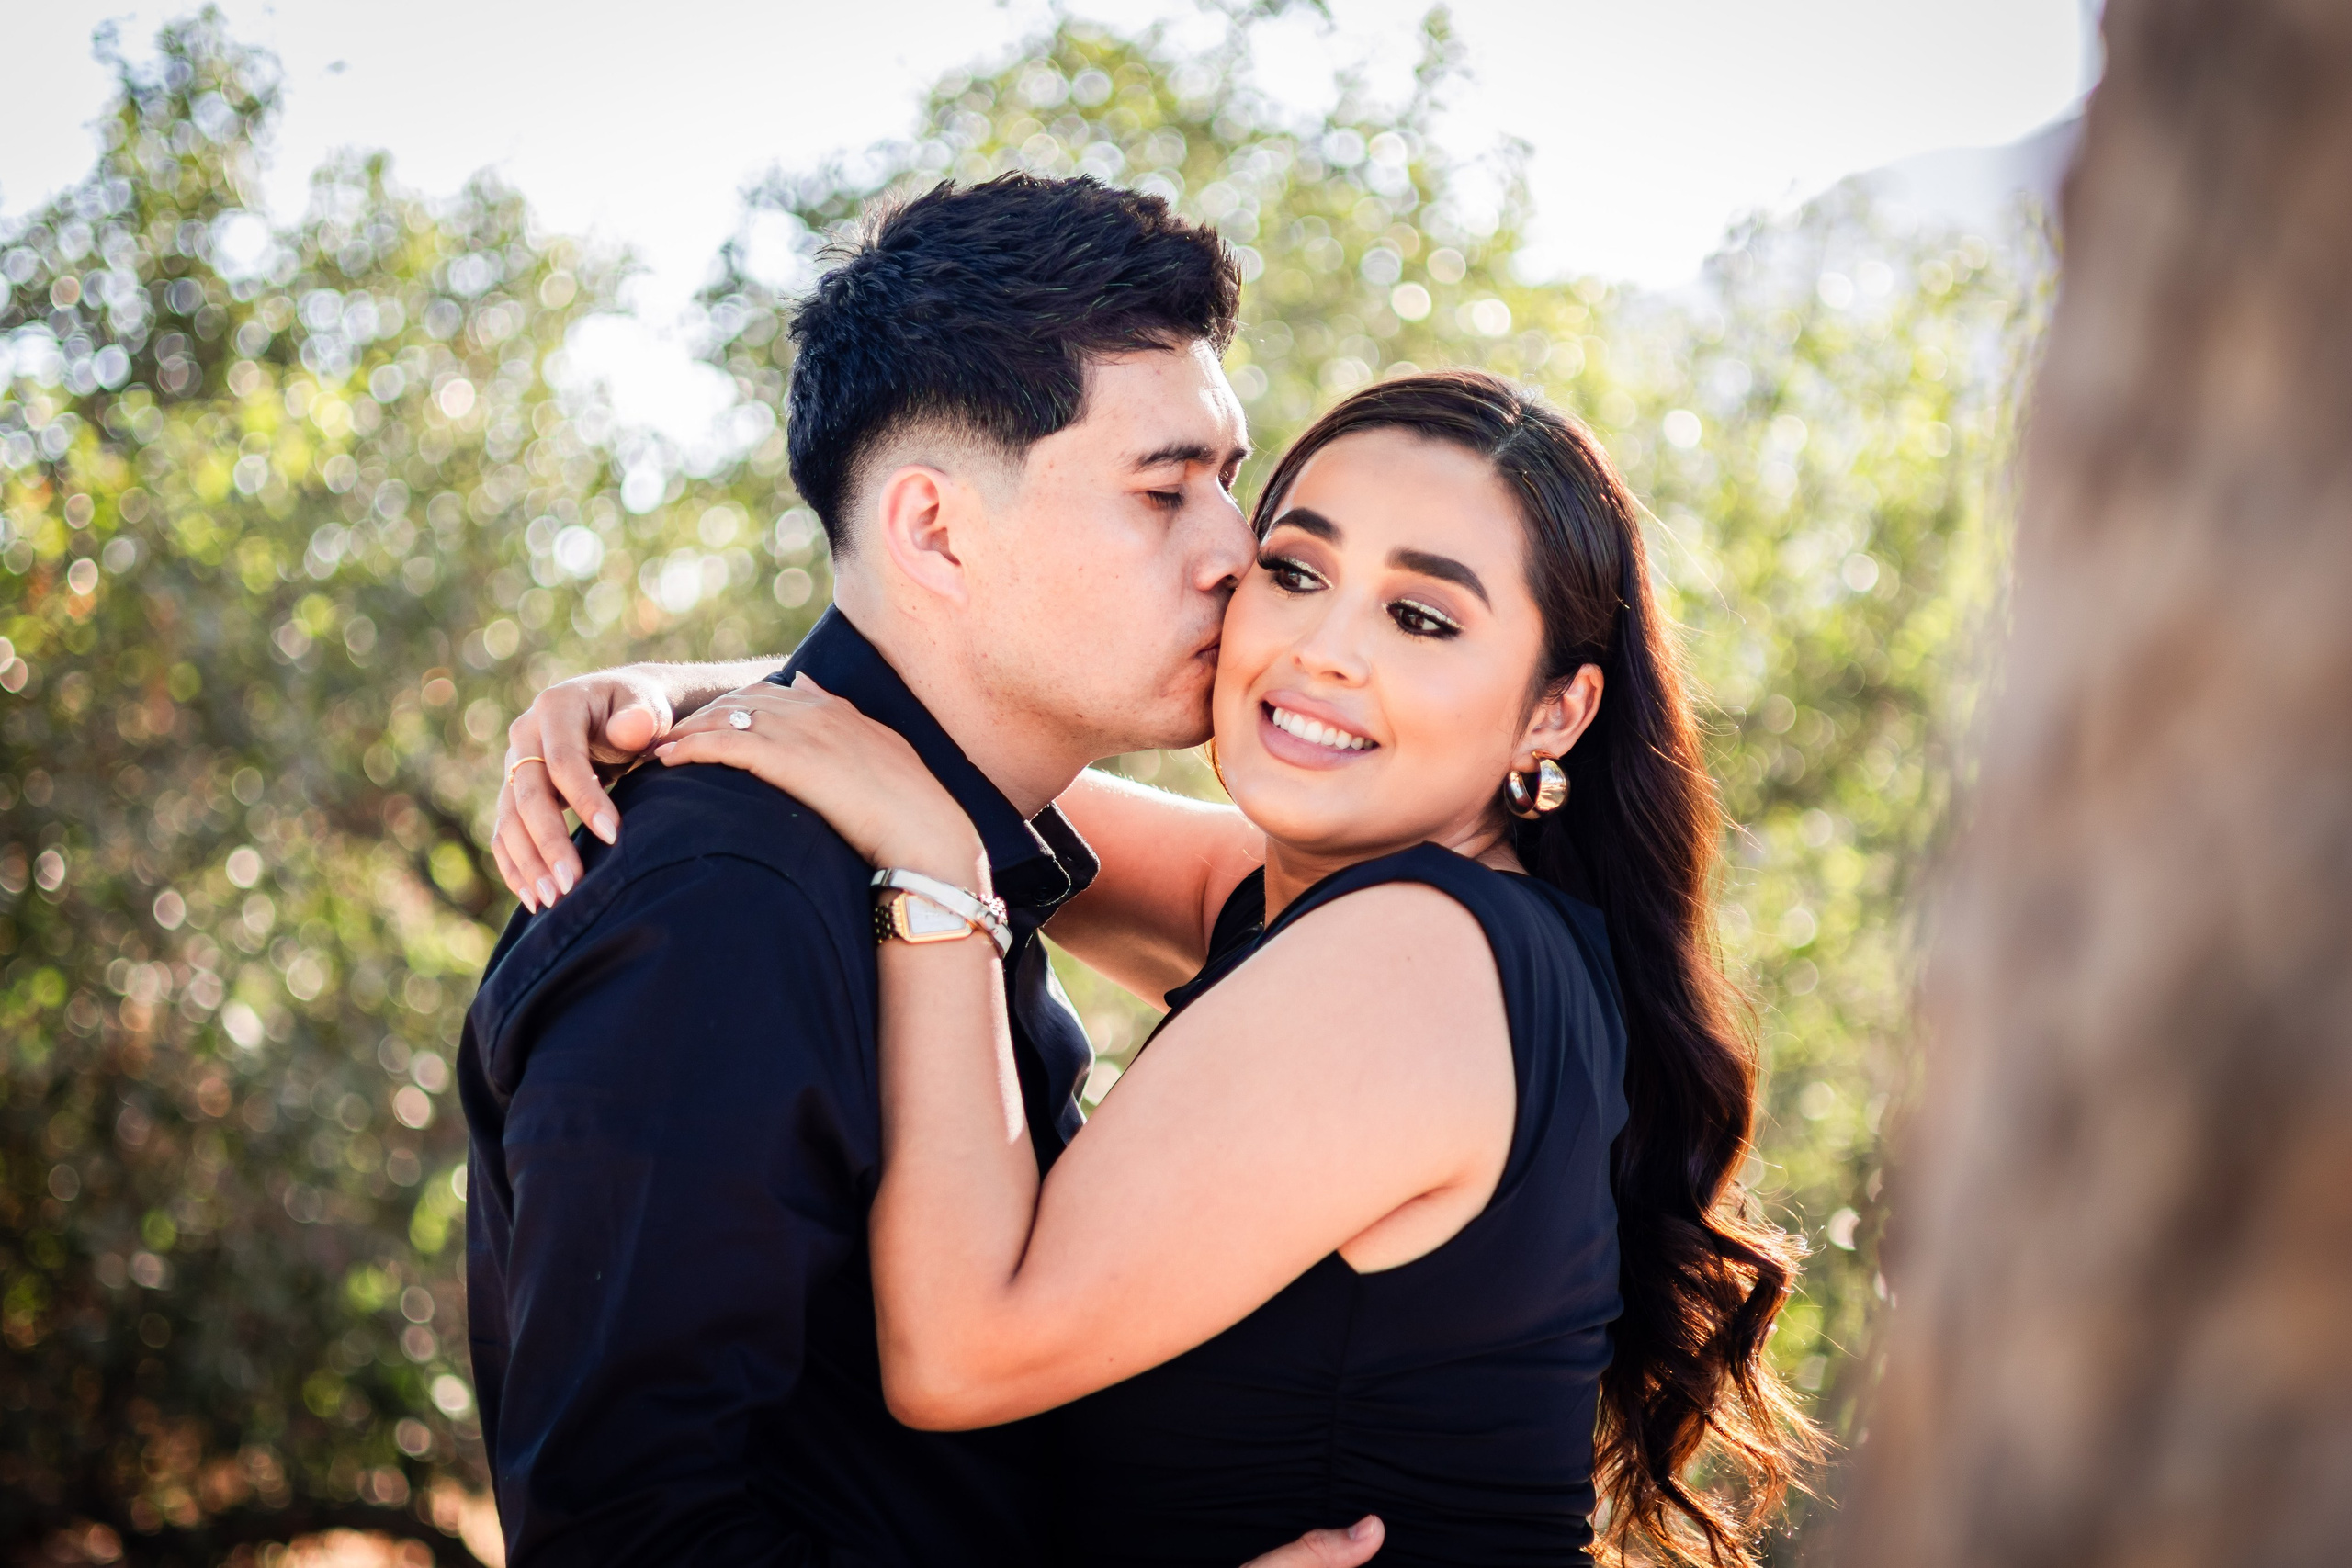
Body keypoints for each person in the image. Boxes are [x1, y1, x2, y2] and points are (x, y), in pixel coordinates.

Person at [498, 371, 1823, 1565]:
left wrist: (932, 876)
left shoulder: (1409, 961)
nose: (1323, 650)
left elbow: (964, 1351)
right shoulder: (1308, 900)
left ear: (1554, 711)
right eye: (1296, 571)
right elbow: (939, 735)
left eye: (1422, 617)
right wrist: (657, 693)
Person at [458, 173, 1380, 1567]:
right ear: (935, 531)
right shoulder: (723, 905)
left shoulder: (963, 858)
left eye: (1230, 483)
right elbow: (626, 1540)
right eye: (1165, 490)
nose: (1235, 555)